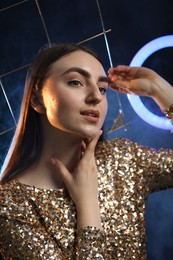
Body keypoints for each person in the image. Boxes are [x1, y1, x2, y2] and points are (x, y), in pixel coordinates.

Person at [0, 43, 173, 259]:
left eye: (102, 88)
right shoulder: (9, 206)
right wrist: (88, 205)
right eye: (76, 82)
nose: (96, 96)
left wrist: (160, 89)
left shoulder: (123, 159)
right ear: (37, 99)